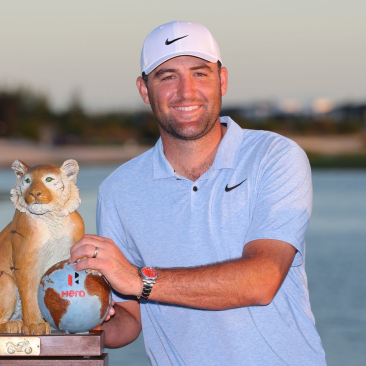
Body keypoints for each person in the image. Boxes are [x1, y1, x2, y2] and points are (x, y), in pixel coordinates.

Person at [70, 21, 326, 365]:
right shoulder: (118, 189)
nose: (186, 91)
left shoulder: (273, 156)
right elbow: (130, 317)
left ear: (222, 80)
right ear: (145, 90)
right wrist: (80, 319)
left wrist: (138, 280)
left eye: (200, 73)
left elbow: (262, 279)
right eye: (167, 76)